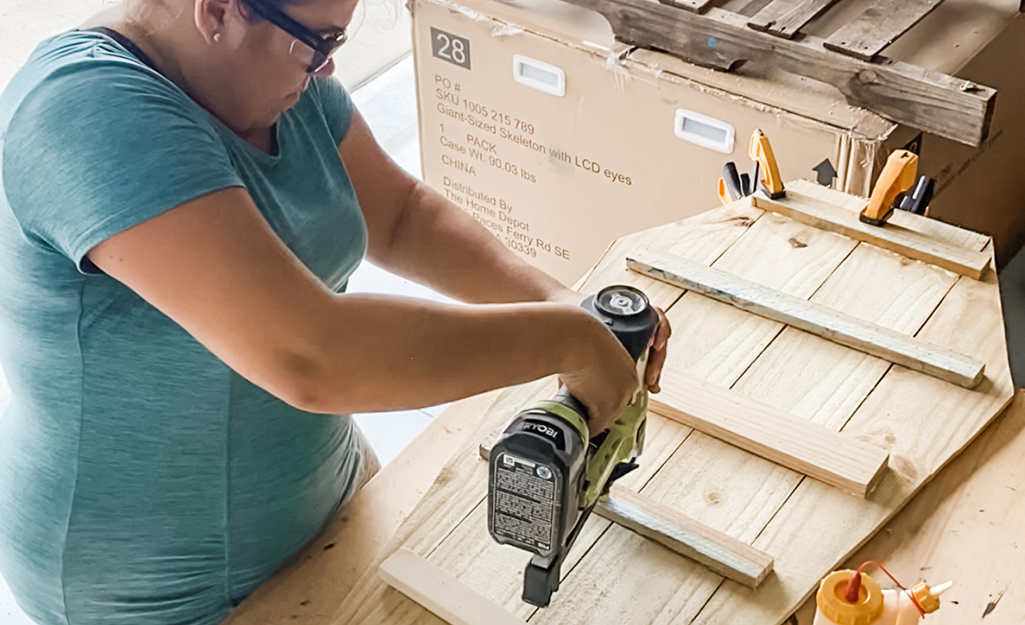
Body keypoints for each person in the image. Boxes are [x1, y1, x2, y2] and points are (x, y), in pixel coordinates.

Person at [0, 0, 671, 623]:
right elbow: (311, 355)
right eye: (318, 43)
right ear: (217, 9)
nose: (327, 68)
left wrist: (565, 304)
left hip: (325, 498)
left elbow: (405, 218)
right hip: (148, 591)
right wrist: (570, 343)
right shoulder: (85, 114)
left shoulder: (273, 72)